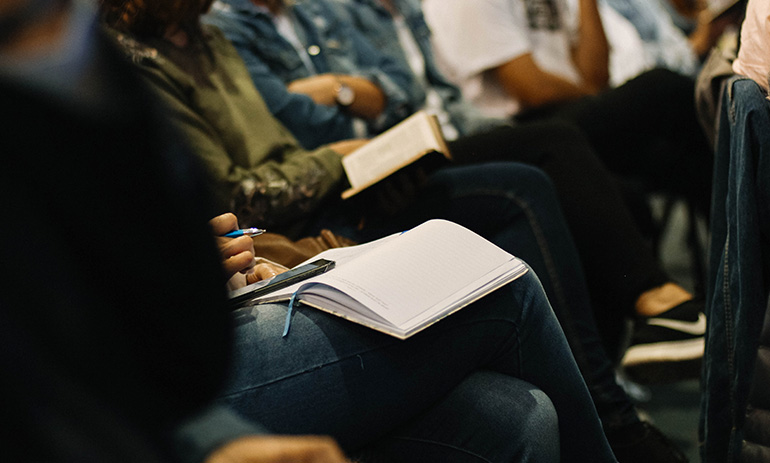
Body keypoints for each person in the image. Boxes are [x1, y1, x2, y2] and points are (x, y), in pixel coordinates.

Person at [1, 2, 619, 461]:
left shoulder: (120, 50)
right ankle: (623, 427)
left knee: (521, 418)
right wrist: (209, 439)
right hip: (132, 384)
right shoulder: (108, 60)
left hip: (185, 340)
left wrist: (203, 259)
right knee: (502, 285)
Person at [422, 0, 713, 218]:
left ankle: (737, 264)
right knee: (662, 87)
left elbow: (597, 75)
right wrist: (591, 93)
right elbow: (533, 91)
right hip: (520, 130)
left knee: (674, 158)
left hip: (574, 112)